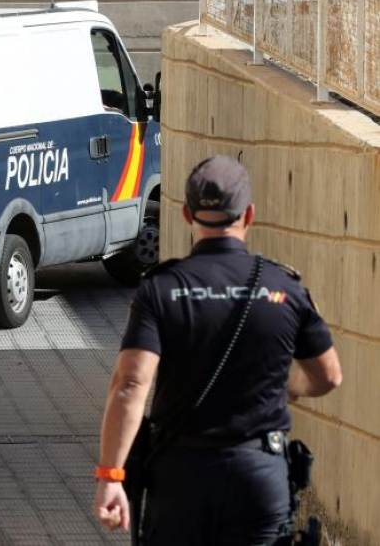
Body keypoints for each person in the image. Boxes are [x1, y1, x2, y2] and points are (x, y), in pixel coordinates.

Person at [93, 155, 343, 545]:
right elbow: (328, 376)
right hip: (258, 475)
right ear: (249, 215)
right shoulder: (285, 287)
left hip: (181, 476)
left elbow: (130, 384)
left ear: (187, 214)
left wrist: (112, 475)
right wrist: (282, 385)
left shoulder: (161, 288)